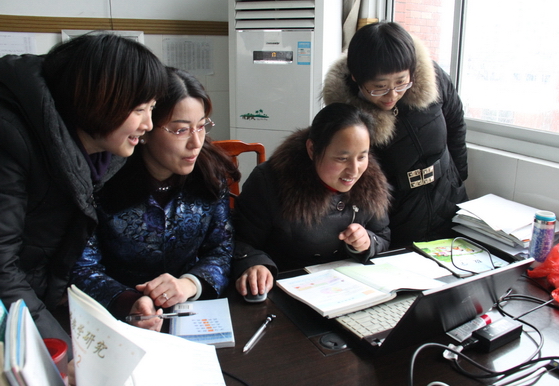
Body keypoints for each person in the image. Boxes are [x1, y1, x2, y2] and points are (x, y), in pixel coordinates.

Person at [0, 33, 167, 348]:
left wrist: (125, 301)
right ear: (100, 100)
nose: (148, 124)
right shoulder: (12, 139)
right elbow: (3, 269)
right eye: (139, 109)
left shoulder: (101, 156)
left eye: (152, 108)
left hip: (34, 304)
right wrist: (59, 351)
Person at [70, 67, 240, 332]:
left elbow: (221, 248)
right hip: (116, 320)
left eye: (201, 126)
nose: (196, 142)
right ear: (145, 130)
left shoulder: (209, 173)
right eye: (180, 130)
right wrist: (129, 302)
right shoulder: (102, 181)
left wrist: (189, 284)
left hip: (190, 312)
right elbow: (82, 267)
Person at [322, 21, 468, 248]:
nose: (392, 95)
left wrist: (459, 176)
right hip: (396, 213)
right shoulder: (347, 116)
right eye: (379, 87)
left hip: (449, 197)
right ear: (356, 78)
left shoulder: (433, 79)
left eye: (401, 83)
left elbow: (455, 121)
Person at [233, 103, 391, 298]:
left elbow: (382, 236)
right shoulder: (270, 181)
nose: (354, 170)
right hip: (286, 290)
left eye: (362, 157)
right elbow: (240, 240)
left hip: (349, 291)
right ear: (312, 149)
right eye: (342, 158)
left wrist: (366, 242)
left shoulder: (371, 182)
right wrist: (255, 264)